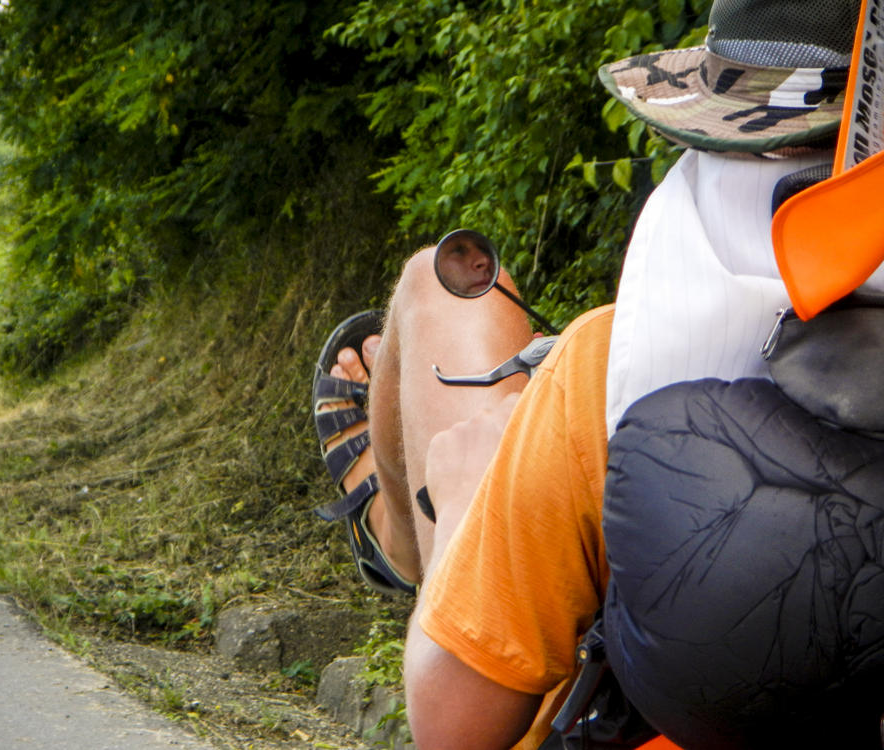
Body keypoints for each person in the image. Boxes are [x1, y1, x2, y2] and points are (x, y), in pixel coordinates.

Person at [313, 0, 883, 747]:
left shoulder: (605, 366)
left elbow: (450, 731)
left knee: (436, 285)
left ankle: (398, 536)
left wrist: (459, 501)